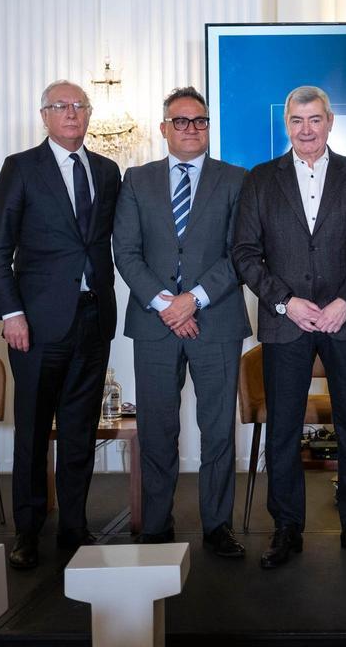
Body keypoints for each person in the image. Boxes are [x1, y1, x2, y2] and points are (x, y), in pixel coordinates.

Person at [233, 85, 346, 569]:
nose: (306, 129)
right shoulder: (260, 179)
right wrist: (284, 302)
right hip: (286, 323)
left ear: (330, 121)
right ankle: (286, 528)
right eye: (297, 121)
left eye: (314, 119)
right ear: (287, 125)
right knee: (282, 430)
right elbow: (244, 254)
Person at [0, 80, 121, 570]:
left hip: (92, 317)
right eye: (60, 106)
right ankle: (27, 531)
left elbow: (108, 242)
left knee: (81, 431)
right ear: (44, 115)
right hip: (36, 326)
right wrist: (12, 313)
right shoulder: (21, 169)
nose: (70, 114)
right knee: (34, 431)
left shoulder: (106, 171)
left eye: (78, 106)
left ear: (88, 115)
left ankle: (74, 526)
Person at [112, 86, 250, 558]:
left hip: (217, 319)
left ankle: (217, 527)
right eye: (181, 121)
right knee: (156, 428)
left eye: (199, 121)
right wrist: (166, 303)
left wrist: (193, 299)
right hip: (154, 324)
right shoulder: (137, 179)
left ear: (208, 127)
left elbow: (241, 253)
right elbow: (125, 253)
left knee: (218, 431)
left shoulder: (236, 179)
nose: (191, 129)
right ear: (164, 128)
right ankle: (155, 525)